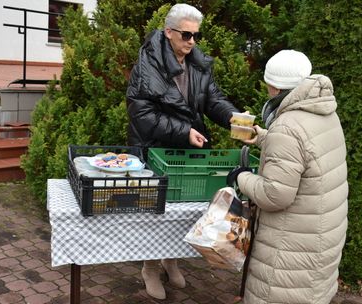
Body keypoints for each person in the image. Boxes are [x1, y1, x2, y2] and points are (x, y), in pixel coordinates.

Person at [125, 3, 239, 300]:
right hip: (154, 149)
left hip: (185, 151)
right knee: (156, 213)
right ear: (168, 32)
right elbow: (142, 115)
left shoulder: (197, 63)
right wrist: (183, 132)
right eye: (186, 35)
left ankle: (171, 259)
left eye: (195, 35)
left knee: (184, 210)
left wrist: (234, 119)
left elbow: (213, 100)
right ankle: (150, 267)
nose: (192, 41)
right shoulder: (146, 66)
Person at [227, 50, 349, 304]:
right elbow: (305, 154)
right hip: (319, 237)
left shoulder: (287, 126)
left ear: (273, 86)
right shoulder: (324, 112)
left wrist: (241, 177)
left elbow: (275, 195)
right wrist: (264, 137)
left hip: (290, 247)